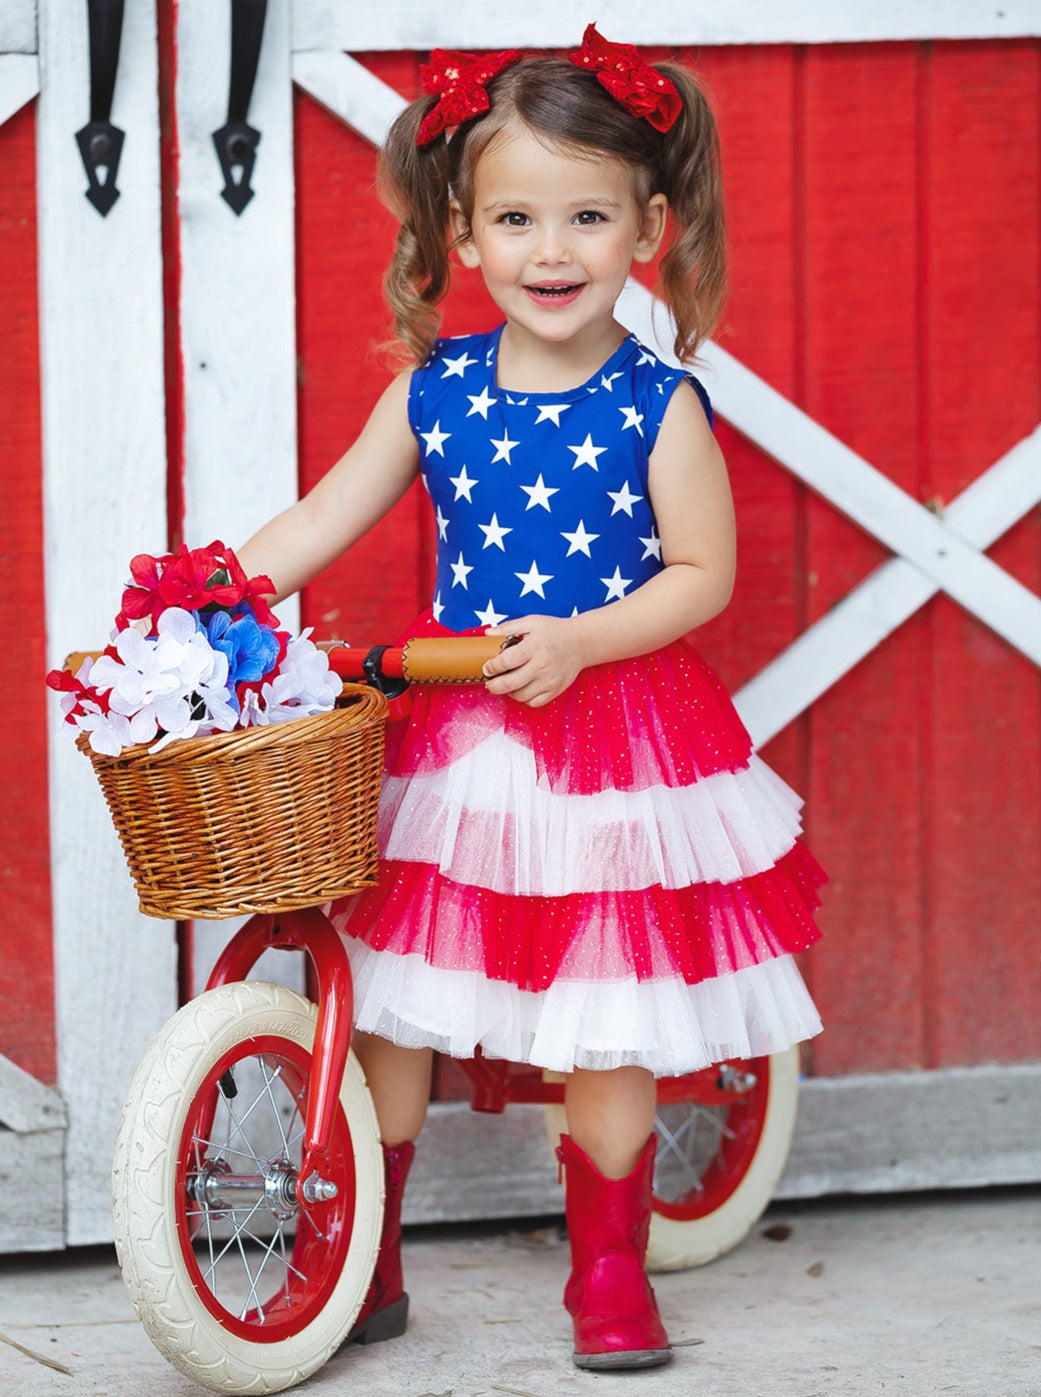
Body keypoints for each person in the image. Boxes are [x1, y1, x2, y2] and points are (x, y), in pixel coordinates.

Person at [238, 24, 825, 1372]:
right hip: (458, 734)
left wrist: (580, 637)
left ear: (647, 228)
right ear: (461, 230)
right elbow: (317, 521)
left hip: (612, 730)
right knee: (397, 988)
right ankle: (365, 1245)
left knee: (606, 999)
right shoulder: (434, 392)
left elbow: (702, 575)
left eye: (585, 216)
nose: (549, 249)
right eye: (514, 216)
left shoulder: (650, 400)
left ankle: (607, 1266)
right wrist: (212, 585)